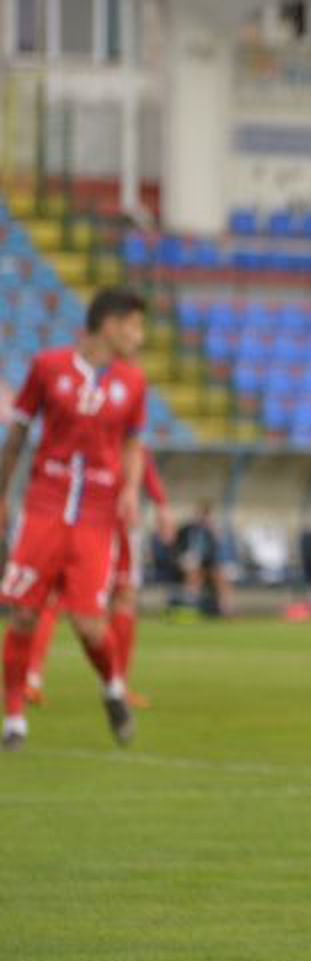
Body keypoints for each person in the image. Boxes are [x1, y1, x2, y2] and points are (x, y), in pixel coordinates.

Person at [0, 286, 146, 750]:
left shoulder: (133, 383)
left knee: (89, 625)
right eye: (134, 326)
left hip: (98, 516)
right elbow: (19, 433)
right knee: (23, 613)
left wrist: (131, 489)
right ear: (110, 323)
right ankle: (15, 720)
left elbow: (132, 443)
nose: (138, 337)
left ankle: (113, 687)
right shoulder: (48, 367)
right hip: (45, 503)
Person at [23, 451, 173, 709]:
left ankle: (33, 678)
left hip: (78, 514)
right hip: (101, 517)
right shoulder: (118, 419)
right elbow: (136, 452)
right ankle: (116, 685)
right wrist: (159, 503)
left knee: (55, 596)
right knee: (120, 597)